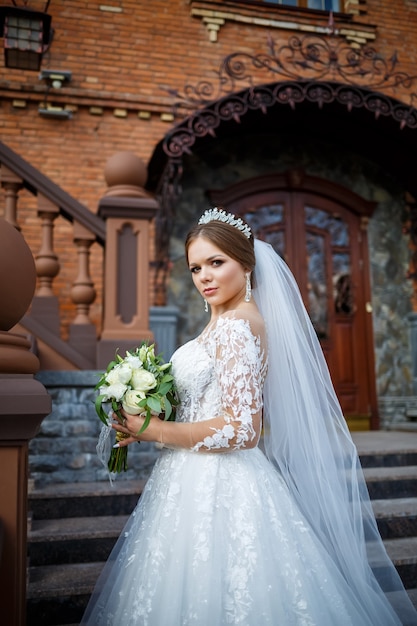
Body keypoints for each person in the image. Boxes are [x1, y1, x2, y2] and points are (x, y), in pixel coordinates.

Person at [81, 208, 417, 625]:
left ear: (246, 264)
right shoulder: (222, 323)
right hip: (187, 477)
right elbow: (208, 401)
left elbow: (243, 429)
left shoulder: (238, 327)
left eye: (216, 262)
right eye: (196, 267)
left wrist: (155, 430)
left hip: (221, 483)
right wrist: (152, 410)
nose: (204, 276)